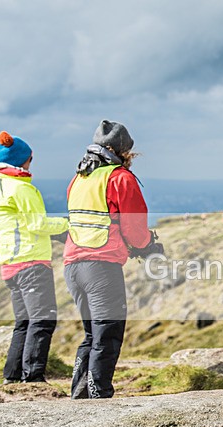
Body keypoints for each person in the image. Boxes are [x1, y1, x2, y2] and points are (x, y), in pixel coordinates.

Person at [64, 120, 162, 399]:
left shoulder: (79, 177)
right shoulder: (120, 178)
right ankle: (100, 396)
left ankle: (80, 395)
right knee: (108, 334)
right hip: (101, 269)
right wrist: (147, 248)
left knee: (91, 335)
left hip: (73, 265)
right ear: (123, 151)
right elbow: (134, 228)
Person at [0, 131, 69, 384]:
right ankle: (32, 377)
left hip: (10, 264)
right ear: (23, 160)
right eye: (30, 158)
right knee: (43, 320)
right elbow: (37, 224)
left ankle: (12, 376)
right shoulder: (21, 188)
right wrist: (68, 225)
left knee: (24, 322)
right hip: (31, 262)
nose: (31, 163)